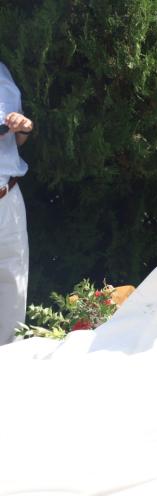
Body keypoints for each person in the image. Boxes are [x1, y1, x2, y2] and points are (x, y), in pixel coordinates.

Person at [0, 63, 33, 345]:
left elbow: (17, 141)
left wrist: (23, 127)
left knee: (13, 286)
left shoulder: (3, 75)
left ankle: (8, 372)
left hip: (7, 197)